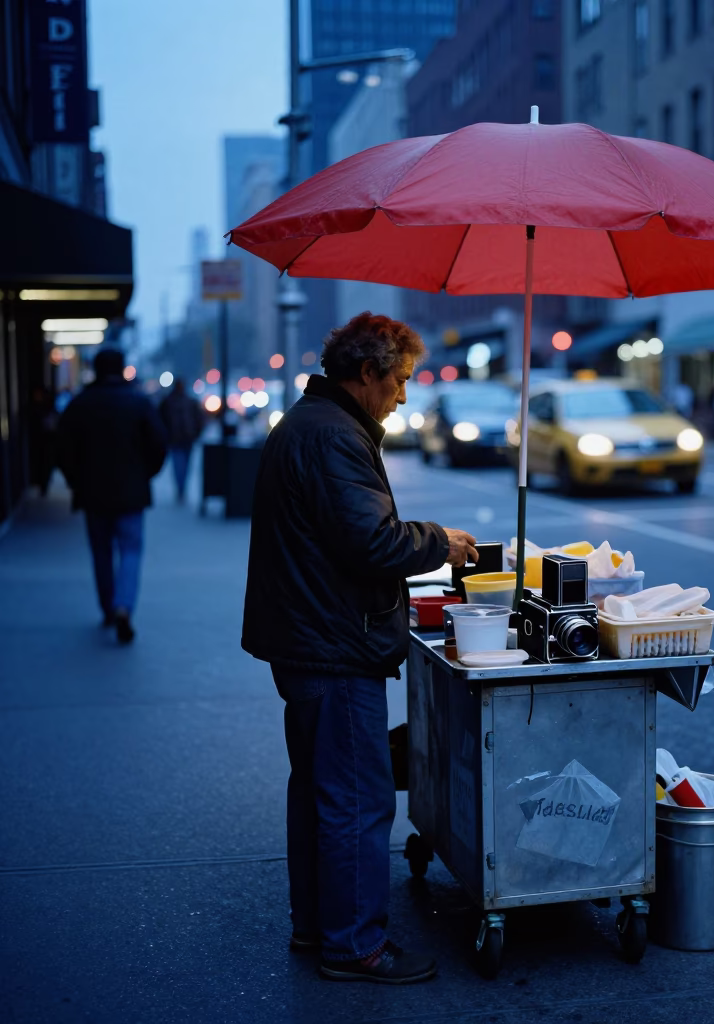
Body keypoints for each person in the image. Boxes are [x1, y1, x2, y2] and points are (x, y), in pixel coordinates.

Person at [241, 312, 479, 985]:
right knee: (355, 798)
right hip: (333, 645)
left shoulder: (315, 425)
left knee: (320, 793)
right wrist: (440, 541)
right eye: (400, 380)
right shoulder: (333, 437)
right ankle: (356, 947)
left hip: (309, 637)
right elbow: (372, 542)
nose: (404, 395)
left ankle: (318, 926)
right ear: (367, 373)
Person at [56, 348, 167, 644]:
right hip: (131, 492)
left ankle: (107, 608)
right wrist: (145, 475)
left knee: (101, 552)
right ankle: (124, 606)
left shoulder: (80, 404)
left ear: (95, 369)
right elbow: (159, 444)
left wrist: (75, 480)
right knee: (131, 550)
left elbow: (63, 448)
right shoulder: (138, 402)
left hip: (93, 493)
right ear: (122, 369)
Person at [158, 379, 205, 502]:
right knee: (183, 466)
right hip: (184, 439)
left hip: (179, 439)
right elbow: (200, 419)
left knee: (179, 466)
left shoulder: (169, 402)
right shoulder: (188, 401)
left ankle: (180, 489)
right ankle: (181, 489)